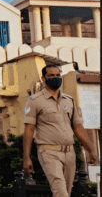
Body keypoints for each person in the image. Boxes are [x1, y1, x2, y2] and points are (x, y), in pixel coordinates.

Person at [23, 65, 99, 197]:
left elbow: (78, 128)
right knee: (60, 191)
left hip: (69, 152)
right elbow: (29, 129)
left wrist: (91, 150)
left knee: (66, 192)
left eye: (57, 75)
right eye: (51, 76)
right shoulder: (34, 101)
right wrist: (26, 158)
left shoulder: (69, 101)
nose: (55, 78)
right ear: (43, 78)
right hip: (48, 151)